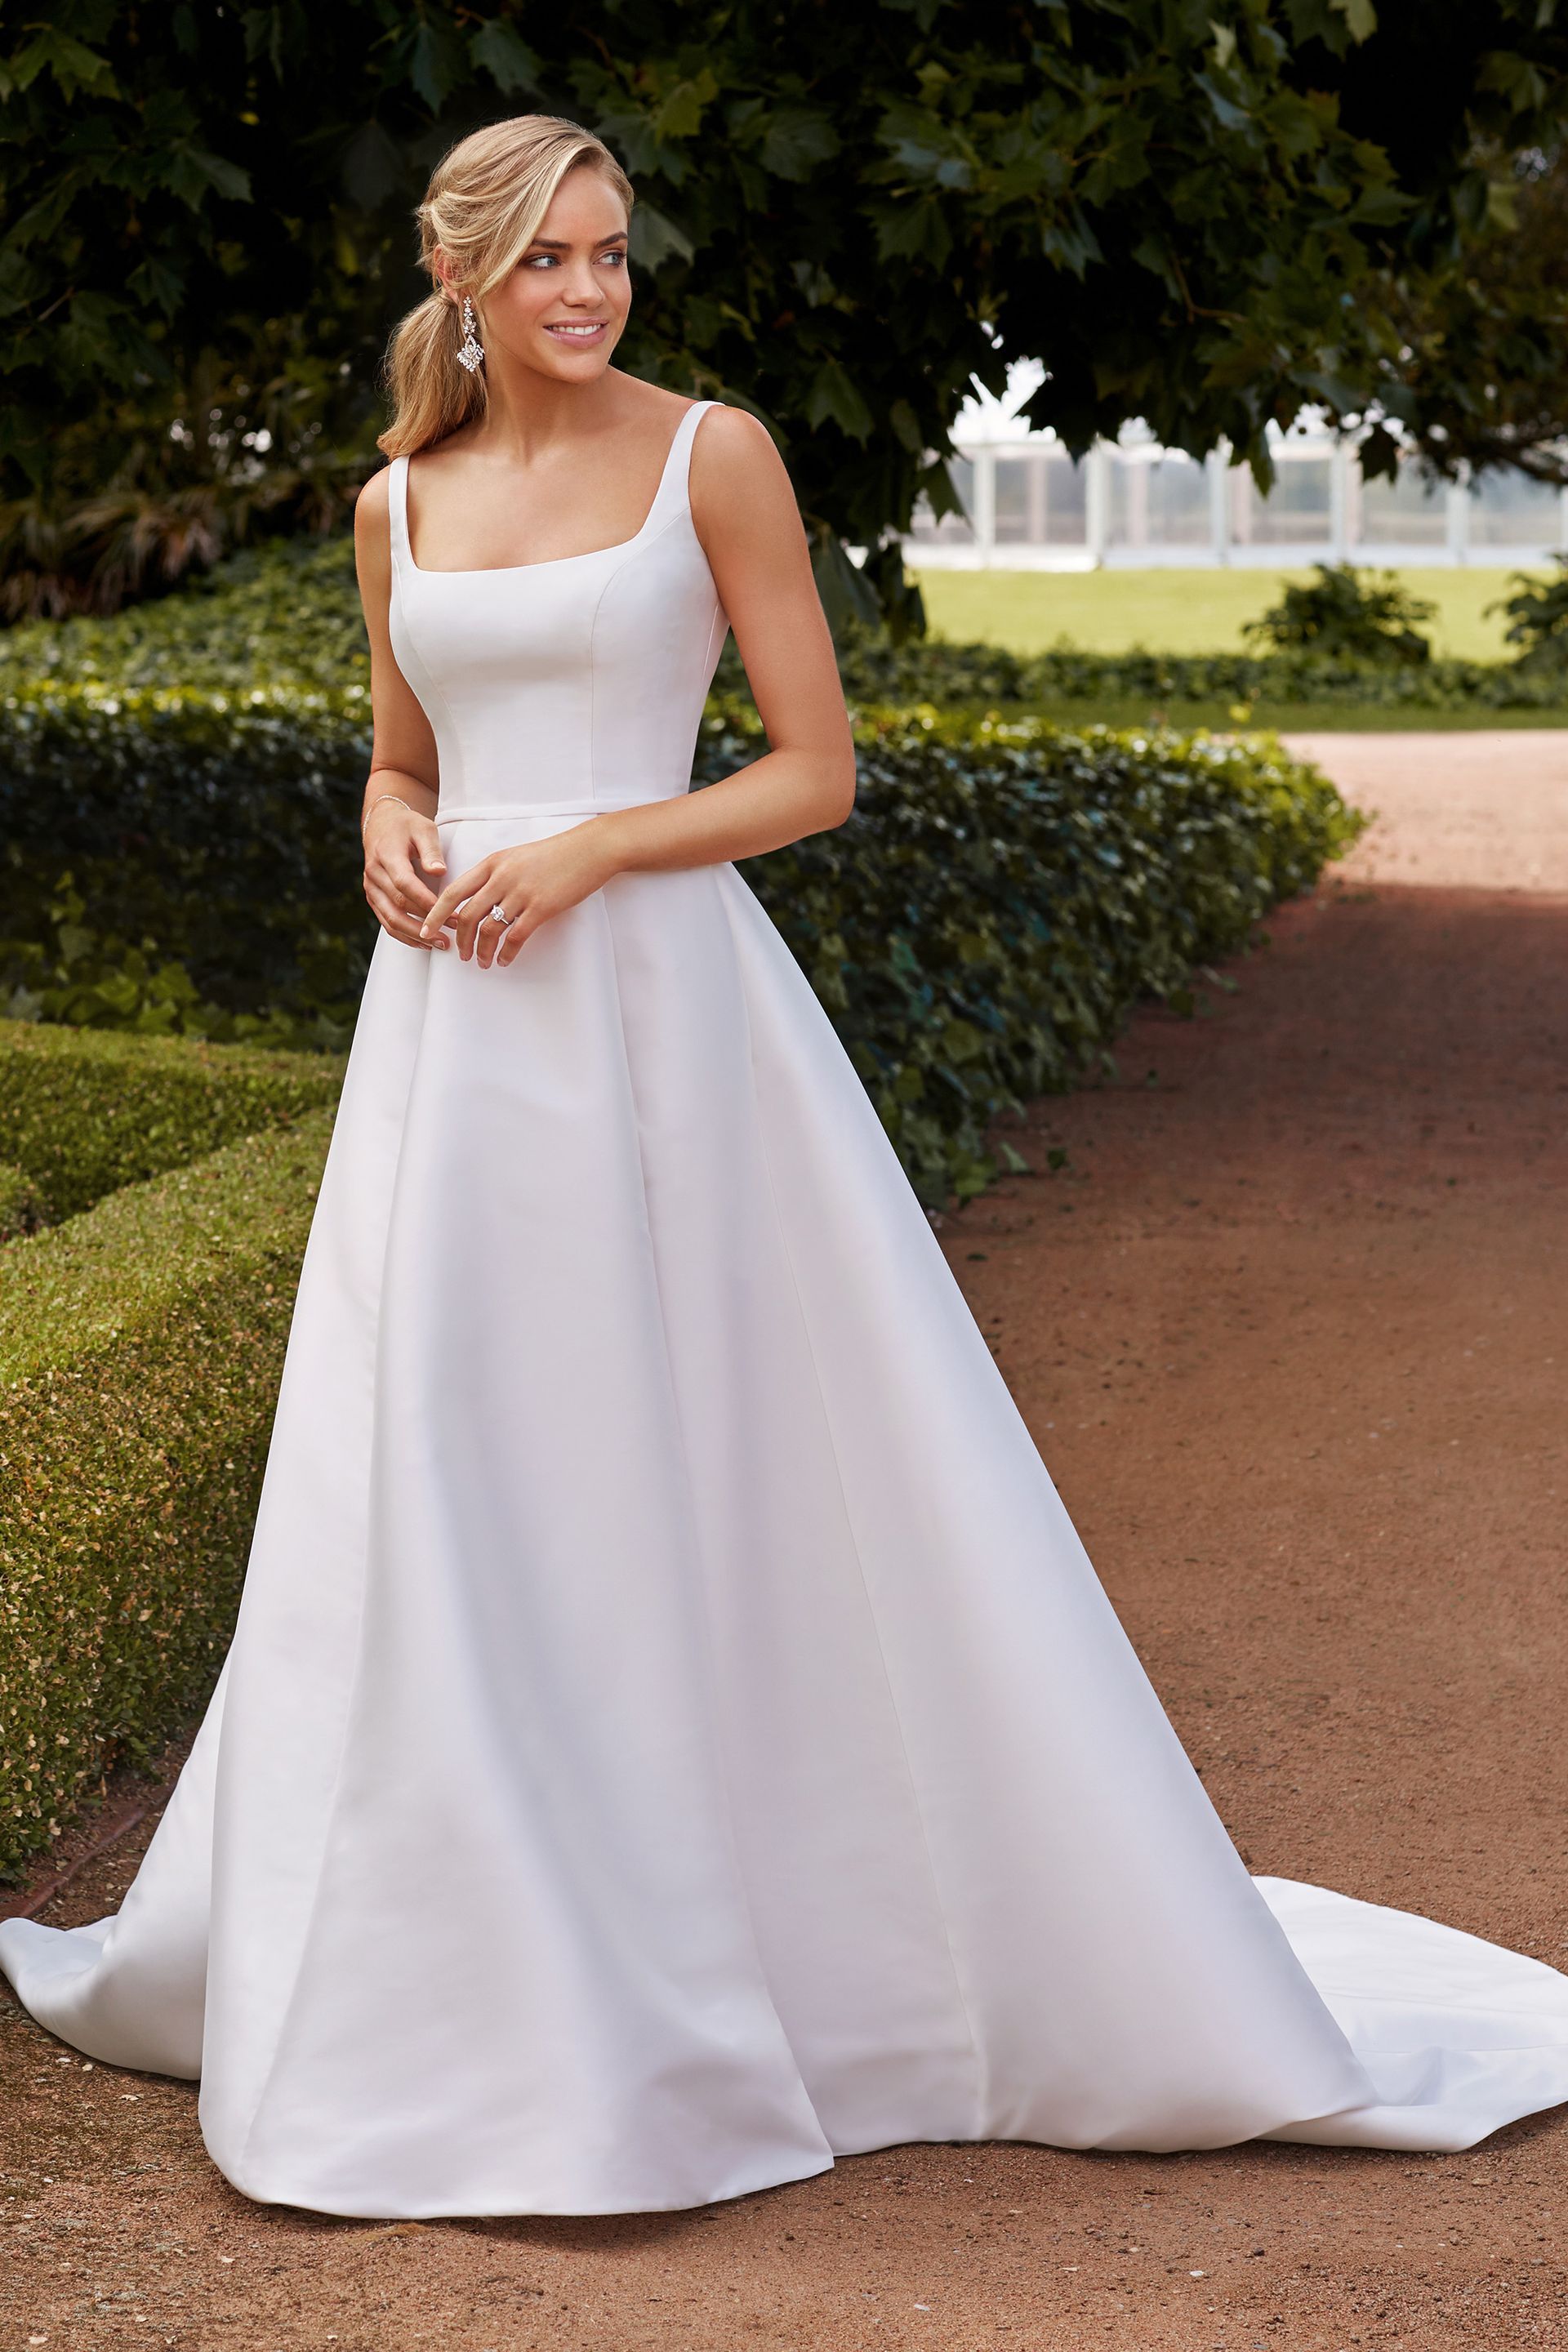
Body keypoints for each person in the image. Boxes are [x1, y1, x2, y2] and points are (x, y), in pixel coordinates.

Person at [3, 112, 1567, 2222]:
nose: (589, 290)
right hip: (457, 1055)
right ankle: (469, 1973)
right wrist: (390, 830)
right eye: (548, 259)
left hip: (667, 1032)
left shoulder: (710, 454)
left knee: (704, 1466)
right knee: (452, 1479)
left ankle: (741, 1951)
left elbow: (814, 770)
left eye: (613, 253)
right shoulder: (394, 505)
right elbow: (402, 757)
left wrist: (585, 845)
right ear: (462, 279)